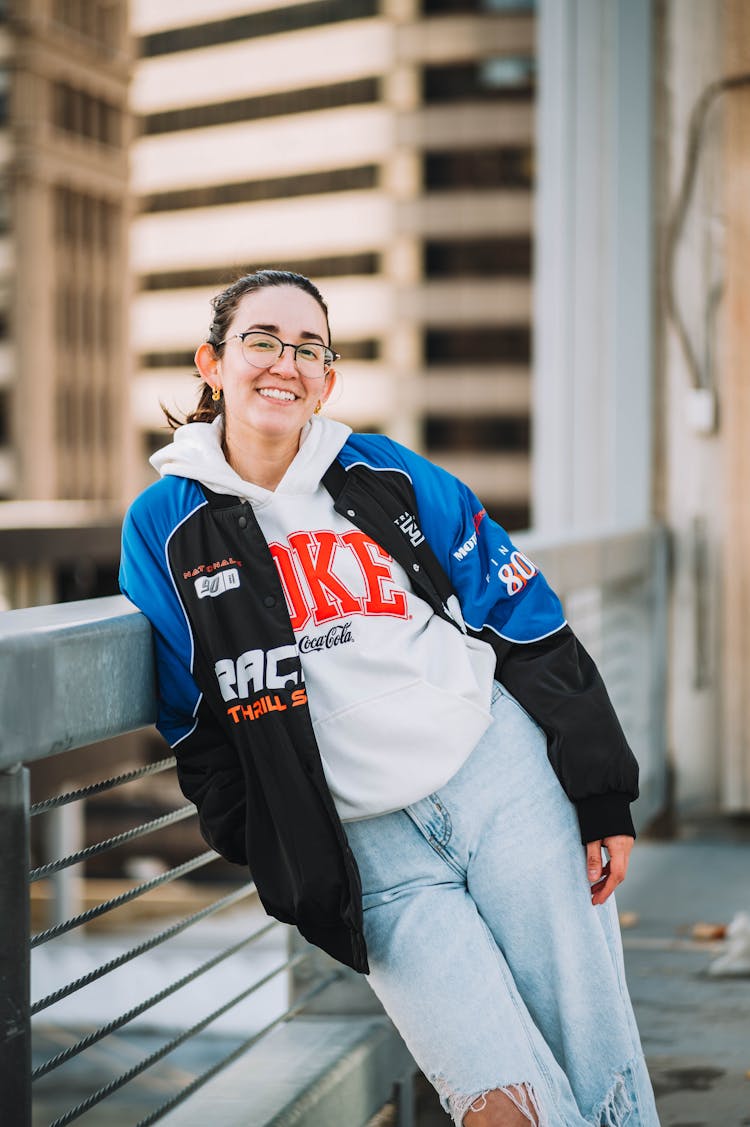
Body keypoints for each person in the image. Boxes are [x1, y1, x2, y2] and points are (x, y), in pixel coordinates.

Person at [119, 268, 660, 1127]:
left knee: (599, 1067)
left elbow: (522, 613)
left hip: (501, 781)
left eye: (308, 348)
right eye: (261, 340)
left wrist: (600, 790)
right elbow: (191, 713)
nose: (283, 363)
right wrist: (268, 843)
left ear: (326, 380)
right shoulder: (167, 522)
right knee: (497, 1103)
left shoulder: (384, 473)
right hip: (373, 854)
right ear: (212, 363)